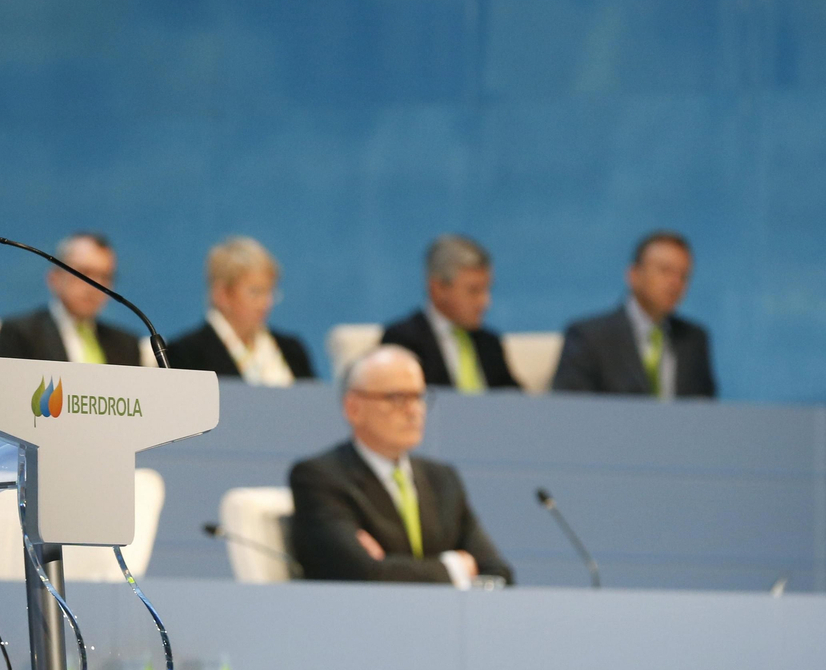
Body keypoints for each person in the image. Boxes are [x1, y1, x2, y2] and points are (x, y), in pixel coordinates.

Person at [288, 345, 513, 585]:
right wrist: (454, 568)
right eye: (396, 398)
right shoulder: (320, 477)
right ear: (353, 408)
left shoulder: (442, 478)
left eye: (419, 396)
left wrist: (394, 566)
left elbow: (498, 572)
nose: (413, 410)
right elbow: (368, 575)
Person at [551, 230, 717, 398]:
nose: (675, 283)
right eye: (665, 271)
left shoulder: (694, 339)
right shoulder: (589, 338)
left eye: (683, 275)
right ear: (634, 275)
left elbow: (705, 411)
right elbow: (571, 411)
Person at [380, 234, 519, 392]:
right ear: (438, 289)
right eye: (474, 291)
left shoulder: (490, 343)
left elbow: (517, 401)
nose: (485, 302)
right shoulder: (402, 341)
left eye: (487, 289)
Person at [167, 236, 315, 384]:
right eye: (255, 292)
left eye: (269, 292)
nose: (266, 302)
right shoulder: (185, 354)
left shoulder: (292, 350)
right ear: (222, 294)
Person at [0, 232, 142, 364]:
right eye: (84, 273)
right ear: (55, 278)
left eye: (105, 277)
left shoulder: (127, 344)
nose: (95, 286)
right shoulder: (20, 334)